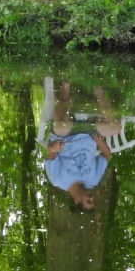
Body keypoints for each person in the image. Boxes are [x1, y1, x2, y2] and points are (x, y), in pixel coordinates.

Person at [43, 83, 119, 211]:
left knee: (60, 127)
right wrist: (100, 143)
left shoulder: (57, 180)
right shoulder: (93, 180)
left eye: (88, 201)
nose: (92, 197)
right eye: (93, 200)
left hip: (67, 134)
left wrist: (55, 147)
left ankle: (65, 87)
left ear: (77, 201)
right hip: (90, 134)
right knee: (115, 128)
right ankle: (98, 90)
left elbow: (50, 152)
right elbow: (106, 155)